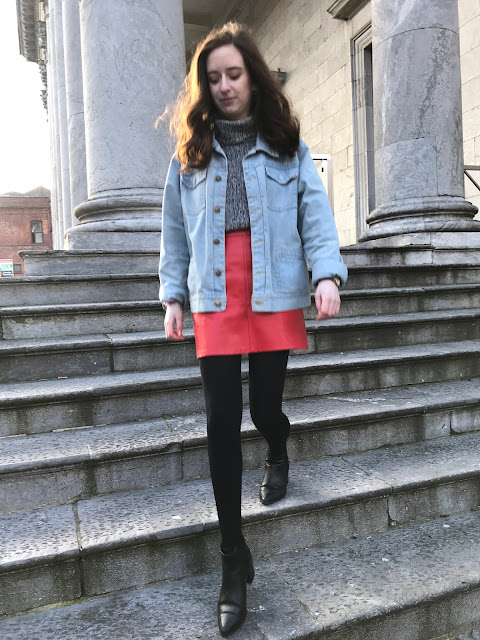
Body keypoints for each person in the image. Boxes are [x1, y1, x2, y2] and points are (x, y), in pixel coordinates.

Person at [159, 21, 347, 637]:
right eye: (213, 78)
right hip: (215, 292)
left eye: (234, 74)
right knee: (220, 420)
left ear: (254, 78)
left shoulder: (287, 145)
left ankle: (278, 445)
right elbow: (175, 232)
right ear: (204, 87)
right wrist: (173, 296)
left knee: (264, 406)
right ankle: (232, 558)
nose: (224, 86)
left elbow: (314, 212)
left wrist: (326, 274)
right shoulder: (189, 155)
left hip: (274, 285)